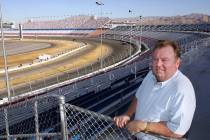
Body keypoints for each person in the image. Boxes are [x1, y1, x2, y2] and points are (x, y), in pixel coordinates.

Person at [114, 40, 196, 139]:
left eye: (164, 60)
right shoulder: (150, 75)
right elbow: (138, 97)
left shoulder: (182, 90)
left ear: (177, 63)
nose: (158, 64)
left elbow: (177, 131)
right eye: (155, 59)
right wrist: (128, 114)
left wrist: (143, 126)